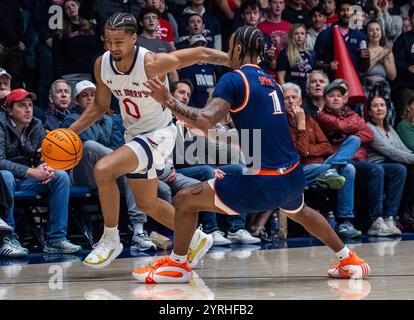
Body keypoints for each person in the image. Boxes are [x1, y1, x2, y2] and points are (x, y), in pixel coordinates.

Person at [133, 26, 370, 283]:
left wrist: (167, 99)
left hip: (263, 182)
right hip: (291, 175)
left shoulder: (234, 79)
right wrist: (208, 131)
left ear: (236, 48)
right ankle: (348, 259)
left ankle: (177, 266)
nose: (226, 52)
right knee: (301, 211)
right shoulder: (272, 83)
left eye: (229, 46)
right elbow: (247, 132)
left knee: (184, 199)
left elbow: (204, 119)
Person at [67, 13, 230, 269]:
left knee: (104, 169)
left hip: (160, 135)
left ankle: (110, 239)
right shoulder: (102, 64)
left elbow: (199, 52)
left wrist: (236, 61)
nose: (113, 47)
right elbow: (100, 105)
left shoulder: (151, 63)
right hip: (135, 136)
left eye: (119, 41)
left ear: (134, 38)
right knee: (148, 203)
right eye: (108, 41)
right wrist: (71, 131)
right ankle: (197, 238)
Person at [61, 80, 157, 251]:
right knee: (89, 146)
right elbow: (77, 152)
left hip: (106, 172)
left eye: (93, 95)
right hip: (81, 173)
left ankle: (138, 231)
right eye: (85, 95)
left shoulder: (107, 119)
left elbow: (116, 146)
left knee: (131, 173)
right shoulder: (71, 120)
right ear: (76, 100)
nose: (90, 99)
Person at [316, 80, 404, 237]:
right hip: (344, 162)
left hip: (361, 161)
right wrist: (355, 128)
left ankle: (390, 217)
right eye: (331, 96)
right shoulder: (322, 116)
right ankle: (375, 221)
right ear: (325, 100)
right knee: (371, 164)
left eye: (339, 95)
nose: (336, 98)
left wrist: (349, 129)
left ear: (344, 99)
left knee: (399, 169)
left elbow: (369, 134)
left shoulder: (352, 114)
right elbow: (343, 127)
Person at [0, 89, 82, 257]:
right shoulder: (1, 124)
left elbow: (40, 156)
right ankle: (7, 239)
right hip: (5, 180)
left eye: (30, 105)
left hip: (26, 178)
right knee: (5, 176)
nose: (28, 109)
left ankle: (56, 240)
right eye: (22, 106)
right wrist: (31, 171)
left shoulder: (36, 124)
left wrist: (47, 166)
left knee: (60, 176)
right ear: (8, 110)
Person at [283, 82, 362, 238]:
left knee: (354, 141)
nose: (291, 101)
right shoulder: (281, 124)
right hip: (301, 169)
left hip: (324, 164)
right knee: (346, 169)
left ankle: (345, 222)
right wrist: (301, 125)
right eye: (287, 98)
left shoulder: (311, 120)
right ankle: (330, 171)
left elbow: (326, 146)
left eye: (294, 97)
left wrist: (308, 151)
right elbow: (299, 153)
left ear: (300, 101)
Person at [367, 96, 412, 234]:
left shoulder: (390, 129)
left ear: (387, 109)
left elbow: (403, 149)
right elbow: (391, 152)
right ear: (369, 111)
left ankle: (391, 218)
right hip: (375, 165)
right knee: (400, 168)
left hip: (390, 165)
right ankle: (382, 219)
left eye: (382, 105)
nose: (379, 108)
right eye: (375, 106)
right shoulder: (369, 128)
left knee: (402, 169)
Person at [314, 0, 370, 80]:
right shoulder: (325, 34)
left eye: (349, 10)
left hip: (353, 84)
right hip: (330, 82)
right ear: (337, 12)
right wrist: (328, 66)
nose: (346, 13)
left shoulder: (360, 36)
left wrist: (366, 59)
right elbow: (314, 62)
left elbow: (364, 69)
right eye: (342, 10)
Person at [52, 0, 101, 91]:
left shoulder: (93, 27)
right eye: (67, 7)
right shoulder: (61, 32)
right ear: (64, 12)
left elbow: (99, 49)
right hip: (70, 75)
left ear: (80, 6)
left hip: (91, 74)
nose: (71, 8)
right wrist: (59, 78)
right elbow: (57, 57)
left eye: (73, 5)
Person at [362, 19, 396, 125]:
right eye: (371, 30)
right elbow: (363, 71)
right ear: (367, 33)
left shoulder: (387, 51)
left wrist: (385, 58)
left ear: (381, 32)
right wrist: (379, 57)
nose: (375, 32)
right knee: (367, 116)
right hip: (367, 86)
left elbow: (392, 76)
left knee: (387, 117)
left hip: (383, 87)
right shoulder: (364, 50)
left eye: (377, 30)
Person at [276, 23, 316, 96]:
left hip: (307, 94)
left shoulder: (311, 54)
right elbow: (281, 78)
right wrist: (285, 94)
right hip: (292, 93)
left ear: (306, 36)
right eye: (296, 34)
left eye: (302, 33)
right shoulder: (285, 53)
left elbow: (313, 76)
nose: (299, 36)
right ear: (291, 36)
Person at [257, 0, 292, 78]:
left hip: (286, 70)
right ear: (269, 5)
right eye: (275, 2)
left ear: (284, 6)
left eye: (281, 2)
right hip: (266, 71)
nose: (278, 6)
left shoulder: (290, 26)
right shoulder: (260, 27)